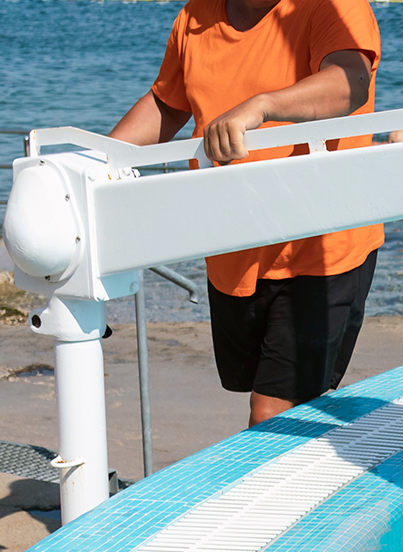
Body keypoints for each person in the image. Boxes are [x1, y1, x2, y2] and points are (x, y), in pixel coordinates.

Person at [111, 0, 385, 427]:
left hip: (320, 251)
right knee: (274, 401)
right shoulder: (194, 15)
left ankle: (282, 491)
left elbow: (351, 82)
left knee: (271, 411)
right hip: (232, 248)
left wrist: (261, 106)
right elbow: (168, 105)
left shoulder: (331, 5)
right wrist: (96, 162)